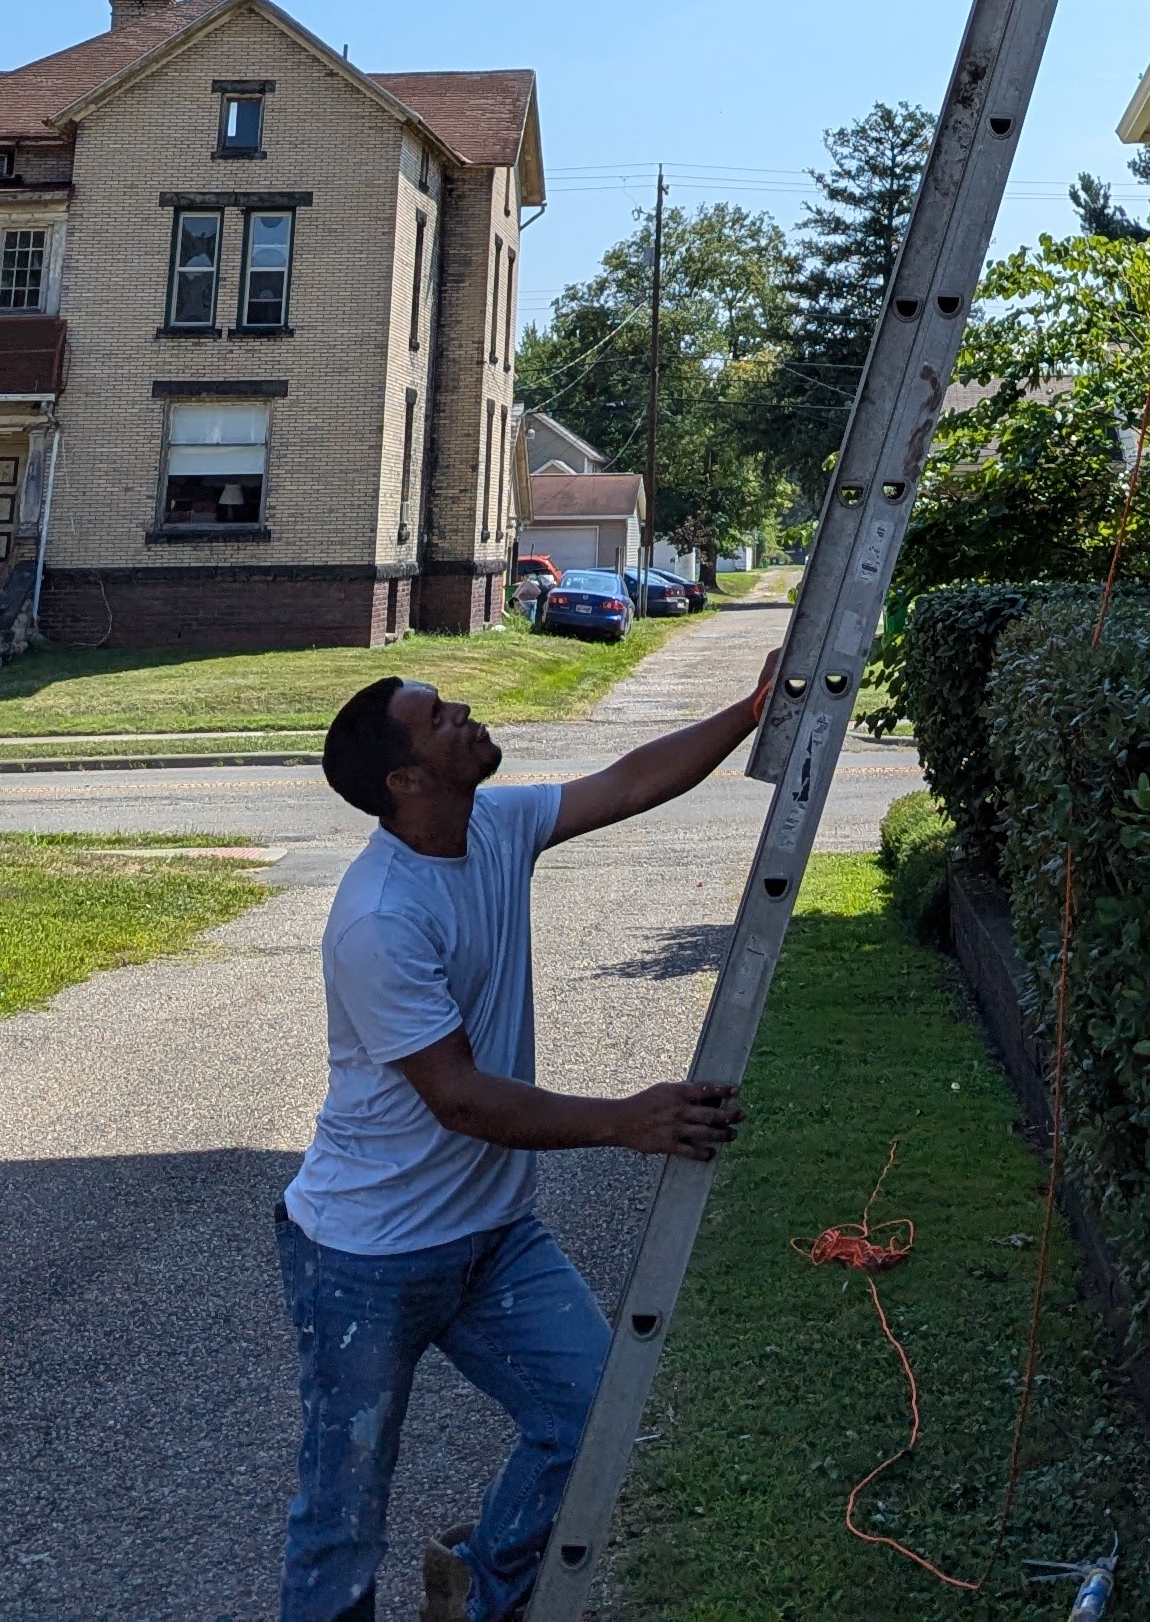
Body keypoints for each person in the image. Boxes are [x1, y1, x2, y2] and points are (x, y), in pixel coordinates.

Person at [275, 645, 777, 1622]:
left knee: (594, 1414)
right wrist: (626, 1120)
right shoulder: (380, 917)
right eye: (438, 717)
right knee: (344, 1516)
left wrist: (749, 709)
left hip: (493, 1240)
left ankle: (483, 1594)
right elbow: (457, 1096)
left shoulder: (493, 823)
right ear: (407, 779)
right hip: (365, 1258)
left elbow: (627, 782)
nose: (463, 711)